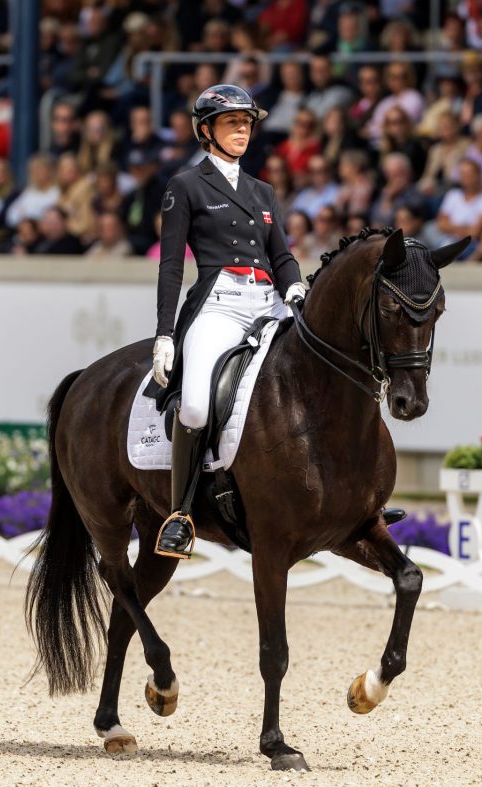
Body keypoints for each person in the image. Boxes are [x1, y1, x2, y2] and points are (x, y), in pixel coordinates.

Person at [150, 84, 305, 559]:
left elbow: (281, 254)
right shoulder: (187, 186)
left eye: (246, 123)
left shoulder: (262, 190)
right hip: (219, 303)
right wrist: (165, 332)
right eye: (231, 123)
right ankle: (180, 514)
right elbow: (172, 265)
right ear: (206, 131)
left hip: (268, 301)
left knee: (329, 366)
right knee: (195, 408)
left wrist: (295, 286)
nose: (242, 130)